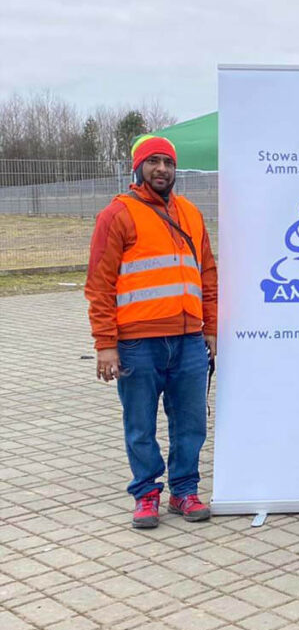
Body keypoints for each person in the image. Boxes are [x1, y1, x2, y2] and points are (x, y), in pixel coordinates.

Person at [85, 135, 218, 529]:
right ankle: (145, 493)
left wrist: (210, 326)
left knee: (191, 422)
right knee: (140, 424)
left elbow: (207, 274)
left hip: (190, 340)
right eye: (153, 162)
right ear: (138, 167)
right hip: (137, 343)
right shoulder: (118, 214)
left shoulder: (191, 214)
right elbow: (99, 283)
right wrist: (105, 344)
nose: (162, 169)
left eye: (168, 163)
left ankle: (184, 491)